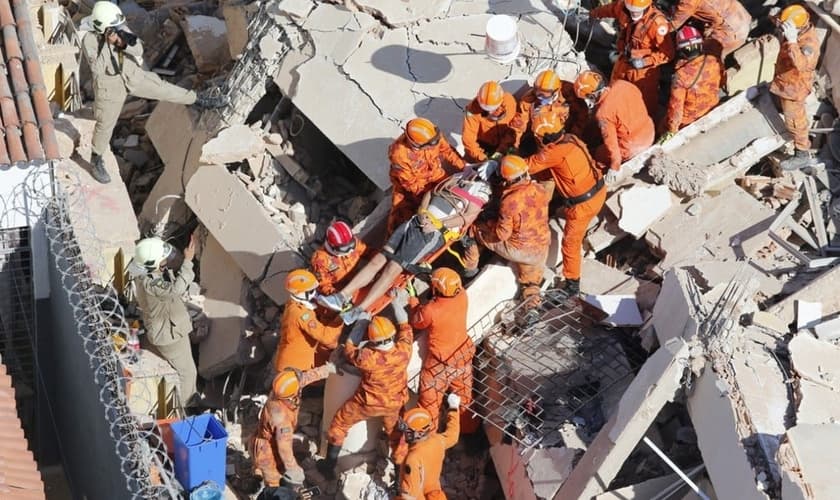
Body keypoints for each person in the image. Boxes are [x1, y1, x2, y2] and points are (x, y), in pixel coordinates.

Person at [317, 169, 492, 324]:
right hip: (416, 222)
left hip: (430, 234)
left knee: (392, 269)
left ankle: (359, 310)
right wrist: (422, 212)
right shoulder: (459, 177)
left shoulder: (481, 192)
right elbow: (431, 193)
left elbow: (466, 218)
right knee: (378, 260)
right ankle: (341, 296)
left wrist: (438, 224)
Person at [81, 2, 226, 184]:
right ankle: (96, 159)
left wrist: (122, 42)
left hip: (133, 75)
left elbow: (139, 49)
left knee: (164, 88)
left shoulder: (120, 28)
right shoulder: (89, 40)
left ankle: (198, 99)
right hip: (109, 84)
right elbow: (97, 68)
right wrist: (108, 44)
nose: (117, 29)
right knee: (105, 123)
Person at [319, 294, 414, 480]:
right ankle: (399, 478)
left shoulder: (367, 357)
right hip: (394, 404)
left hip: (366, 404)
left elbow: (349, 349)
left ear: (373, 341)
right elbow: (405, 326)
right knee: (396, 437)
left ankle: (329, 466)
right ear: (391, 336)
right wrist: (395, 301)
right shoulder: (404, 351)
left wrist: (361, 322)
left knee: (339, 425)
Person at [525, 108, 606, 295]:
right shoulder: (571, 138)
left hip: (583, 206)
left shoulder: (553, 153)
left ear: (543, 137)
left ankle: (572, 283)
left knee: (570, 243)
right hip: (598, 191)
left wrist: (500, 164)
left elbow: (528, 165)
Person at [463, 155, 552, 308]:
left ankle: (469, 269)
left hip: (519, 249)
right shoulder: (540, 189)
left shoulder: (510, 201)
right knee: (530, 280)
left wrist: (488, 222)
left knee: (474, 230)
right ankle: (532, 307)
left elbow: (501, 234)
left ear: (507, 180)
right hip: (541, 245)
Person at [133, 235, 199, 405]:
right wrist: (188, 261)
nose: (165, 261)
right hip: (169, 334)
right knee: (188, 373)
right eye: (162, 259)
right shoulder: (151, 283)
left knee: (188, 367)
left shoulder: (142, 270)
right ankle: (187, 407)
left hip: (166, 328)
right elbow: (176, 290)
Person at [252, 363, 335, 497]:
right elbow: (284, 450)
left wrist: (329, 369)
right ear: (292, 396)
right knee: (274, 486)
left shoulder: (281, 390)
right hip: (266, 451)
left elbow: (302, 379)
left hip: (269, 439)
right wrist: (294, 470)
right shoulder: (281, 419)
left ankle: (261, 473)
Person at [410, 268, 474, 428]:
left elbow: (418, 322)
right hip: (463, 356)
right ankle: (468, 430)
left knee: (429, 402)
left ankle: (428, 437)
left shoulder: (431, 310)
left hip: (440, 364)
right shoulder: (462, 296)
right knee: (464, 399)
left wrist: (413, 302)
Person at [589, 0, 674, 117]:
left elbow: (668, 54)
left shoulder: (657, 24)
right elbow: (609, 9)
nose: (633, 14)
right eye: (631, 11)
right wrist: (593, 14)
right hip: (624, 60)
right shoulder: (623, 7)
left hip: (643, 72)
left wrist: (645, 61)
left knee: (645, 102)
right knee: (614, 91)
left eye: (637, 11)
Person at [574, 70, 654, 183]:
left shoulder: (603, 113)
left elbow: (611, 144)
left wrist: (614, 166)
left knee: (598, 155)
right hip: (649, 129)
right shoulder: (623, 84)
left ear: (592, 95)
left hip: (633, 145)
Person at [388, 118, 466, 234]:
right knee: (399, 223)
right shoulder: (399, 155)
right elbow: (412, 185)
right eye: (431, 144)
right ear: (417, 145)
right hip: (409, 190)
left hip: (436, 175)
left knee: (457, 197)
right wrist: (430, 198)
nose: (435, 144)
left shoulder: (432, 135)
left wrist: (465, 168)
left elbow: (448, 152)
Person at [771, 5, 821, 171]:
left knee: (795, 121)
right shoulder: (798, 24)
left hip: (794, 88)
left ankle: (802, 154)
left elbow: (800, 65)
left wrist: (792, 41)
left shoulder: (809, 45)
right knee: (781, 107)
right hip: (784, 81)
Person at [659, 26, 722, 142]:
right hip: (712, 105)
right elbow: (722, 81)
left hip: (689, 118)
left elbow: (676, 109)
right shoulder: (714, 60)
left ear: (681, 51)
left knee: (661, 126)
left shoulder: (681, 76)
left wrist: (671, 131)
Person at [274, 270, 343, 372]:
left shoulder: (294, 304)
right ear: (300, 293)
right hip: (294, 367)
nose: (314, 293)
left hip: (297, 359)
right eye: (311, 291)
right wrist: (341, 318)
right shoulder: (301, 314)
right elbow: (326, 337)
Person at [396, 399, 461, 500]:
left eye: (408, 431)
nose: (404, 434)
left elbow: (409, 495)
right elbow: (453, 435)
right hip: (434, 493)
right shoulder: (438, 441)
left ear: (419, 433)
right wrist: (453, 408)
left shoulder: (412, 459)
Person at [511, 69, 587, 152]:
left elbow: (582, 116)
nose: (539, 98)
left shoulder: (568, 92)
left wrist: (573, 136)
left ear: (555, 92)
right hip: (541, 138)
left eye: (543, 96)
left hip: (565, 133)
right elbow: (519, 126)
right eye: (537, 93)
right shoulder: (528, 100)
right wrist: (514, 146)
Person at [667, 0, 751, 59]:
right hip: (738, 14)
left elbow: (674, 24)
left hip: (732, 31)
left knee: (704, 62)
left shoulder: (689, 2)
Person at [461, 81, 518, 163]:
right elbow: (469, 140)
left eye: (493, 108)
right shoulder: (473, 110)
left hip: (506, 140)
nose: (490, 112)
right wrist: (483, 159)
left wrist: (499, 153)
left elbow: (515, 128)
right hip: (483, 144)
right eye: (487, 109)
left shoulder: (509, 101)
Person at [309, 221, 368, 296]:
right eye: (345, 248)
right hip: (340, 290)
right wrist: (337, 295)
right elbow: (323, 285)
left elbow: (368, 252)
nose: (350, 250)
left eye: (351, 245)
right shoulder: (320, 260)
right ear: (332, 246)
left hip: (358, 280)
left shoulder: (353, 242)